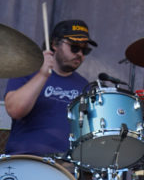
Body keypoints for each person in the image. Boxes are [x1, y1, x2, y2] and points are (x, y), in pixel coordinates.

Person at [4, 19, 96, 157]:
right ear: (54, 44)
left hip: (67, 164)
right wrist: (42, 75)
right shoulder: (28, 72)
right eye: (75, 47)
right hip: (26, 158)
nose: (80, 54)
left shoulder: (85, 86)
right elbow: (15, 110)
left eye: (85, 50)